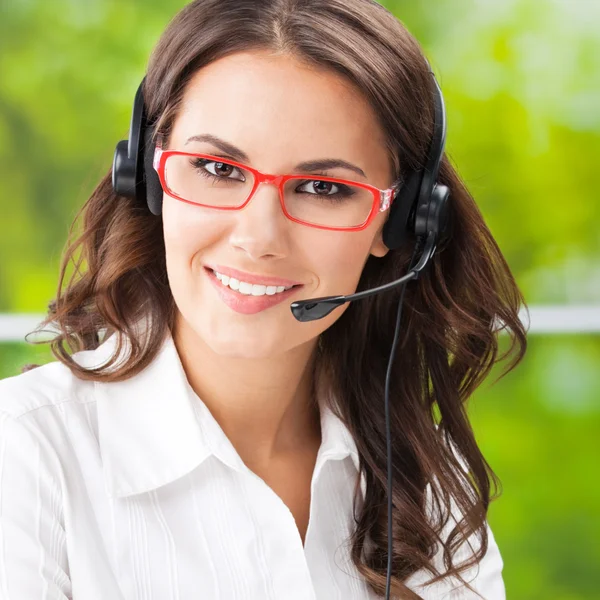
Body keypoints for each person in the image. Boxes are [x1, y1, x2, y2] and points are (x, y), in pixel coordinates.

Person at [0, 0, 528, 598]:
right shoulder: (23, 455)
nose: (257, 239)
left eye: (323, 188)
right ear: (148, 176)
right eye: (217, 169)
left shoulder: (426, 482)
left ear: (403, 219)